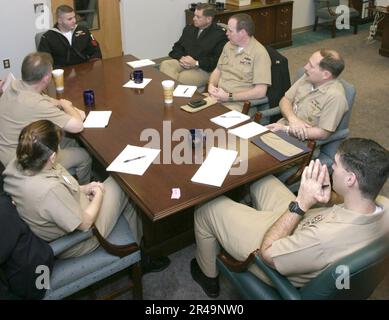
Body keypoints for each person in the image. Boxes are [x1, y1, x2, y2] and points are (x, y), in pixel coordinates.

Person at [190, 138, 389, 298]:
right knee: (261, 178)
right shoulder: (383, 204)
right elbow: (350, 202)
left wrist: (301, 203)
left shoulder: (323, 240)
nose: (331, 169)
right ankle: (246, 214)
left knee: (206, 208)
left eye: (335, 165)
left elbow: (267, 253)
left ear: (350, 179)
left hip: (278, 243)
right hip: (306, 220)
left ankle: (208, 277)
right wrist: (330, 199)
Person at [2, 120, 169, 273]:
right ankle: (142, 257)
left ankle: (135, 248)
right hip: (80, 239)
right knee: (126, 181)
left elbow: (60, 191)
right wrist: (98, 194)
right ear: (52, 157)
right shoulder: (49, 191)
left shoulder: (16, 165)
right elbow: (86, 223)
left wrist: (84, 188)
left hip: (66, 211)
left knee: (124, 198)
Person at [0, 52, 92, 184]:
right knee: (85, 155)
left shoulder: (15, 85)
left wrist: (61, 104)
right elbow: (78, 126)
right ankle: (83, 193)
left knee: (69, 139)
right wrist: (69, 107)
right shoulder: (35, 104)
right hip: (22, 164)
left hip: (7, 151)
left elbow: (45, 99)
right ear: (47, 78)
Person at [267, 49, 348, 141]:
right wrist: (293, 119)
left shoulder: (335, 97)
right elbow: (285, 100)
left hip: (301, 143)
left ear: (325, 75)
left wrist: (287, 129)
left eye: (311, 66)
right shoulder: (308, 77)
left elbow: (322, 133)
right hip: (279, 128)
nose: (305, 67)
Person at [207, 13, 271, 112]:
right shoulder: (228, 45)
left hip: (238, 103)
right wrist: (211, 85)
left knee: (213, 122)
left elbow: (260, 91)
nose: (226, 33)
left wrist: (229, 96)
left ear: (242, 32)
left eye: (230, 31)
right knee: (192, 113)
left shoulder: (259, 53)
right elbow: (218, 70)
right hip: (217, 96)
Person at [160, 3, 227, 87]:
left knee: (180, 79)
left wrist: (196, 63)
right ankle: (174, 91)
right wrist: (182, 58)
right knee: (165, 64)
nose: (194, 19)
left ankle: (172, 92)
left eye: (198, 17)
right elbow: (176, 48)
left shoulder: (219, 35)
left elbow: (216, 62)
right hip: (184, 62)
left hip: (204, 68)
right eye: (194, 15)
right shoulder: (189, 28)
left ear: (209, 19)